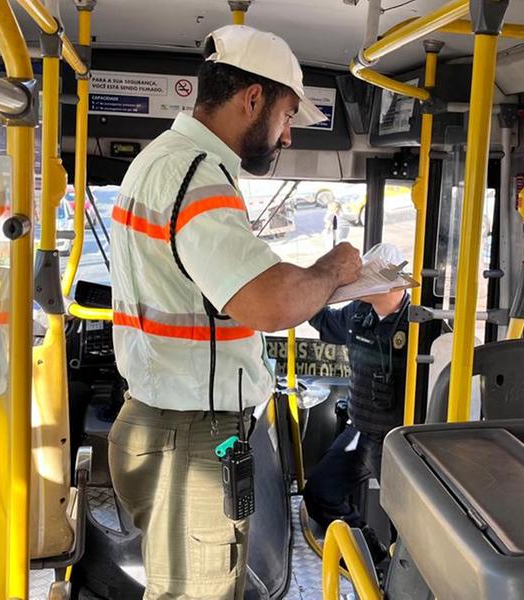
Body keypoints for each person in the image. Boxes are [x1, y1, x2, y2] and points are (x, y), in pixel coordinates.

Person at [105, 24, 362, 599]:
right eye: (287, 114)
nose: (288, 134)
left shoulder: (162, 162)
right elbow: (268, 304)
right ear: (253, 99)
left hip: (160, 421)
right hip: (194, 436)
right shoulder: (198, 178)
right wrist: (332, 271)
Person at [302, 243, 410, 568]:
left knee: (407, 526)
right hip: (359, 430)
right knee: (319, 495)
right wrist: (311, 286)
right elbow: (322, 321)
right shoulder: (357, 314)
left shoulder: (423, 325)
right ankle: (372, 558)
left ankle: (398, 576)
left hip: (397, 440)